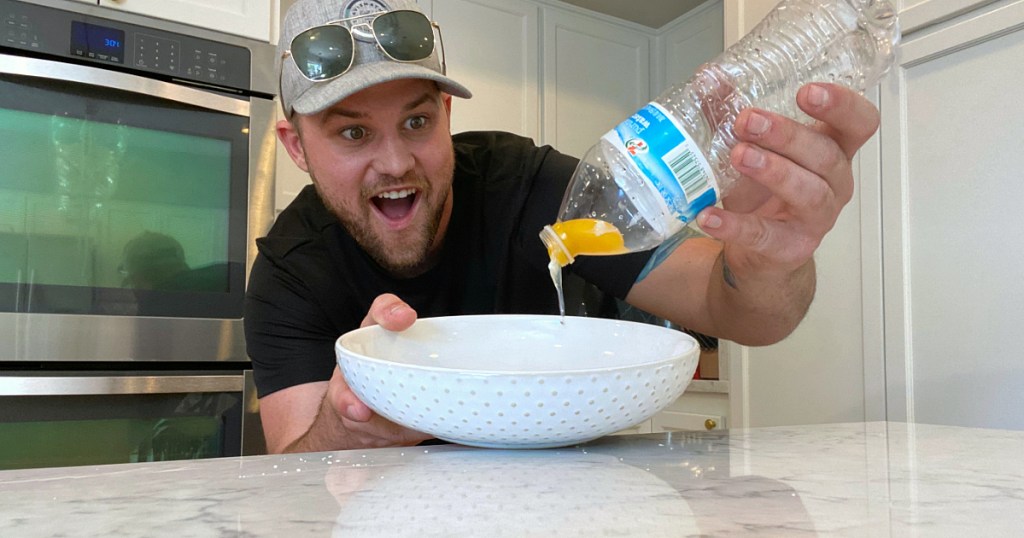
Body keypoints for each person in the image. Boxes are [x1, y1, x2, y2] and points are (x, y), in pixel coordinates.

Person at [245, 0, 882, 453]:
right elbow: (299, 469)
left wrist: (768, 255)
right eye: (353, 133)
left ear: (445, 112)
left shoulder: (525, 184)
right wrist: (347, 425)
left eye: (416, 122)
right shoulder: (290, 267)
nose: (395, 162)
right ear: (296, 147)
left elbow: (746, 315)